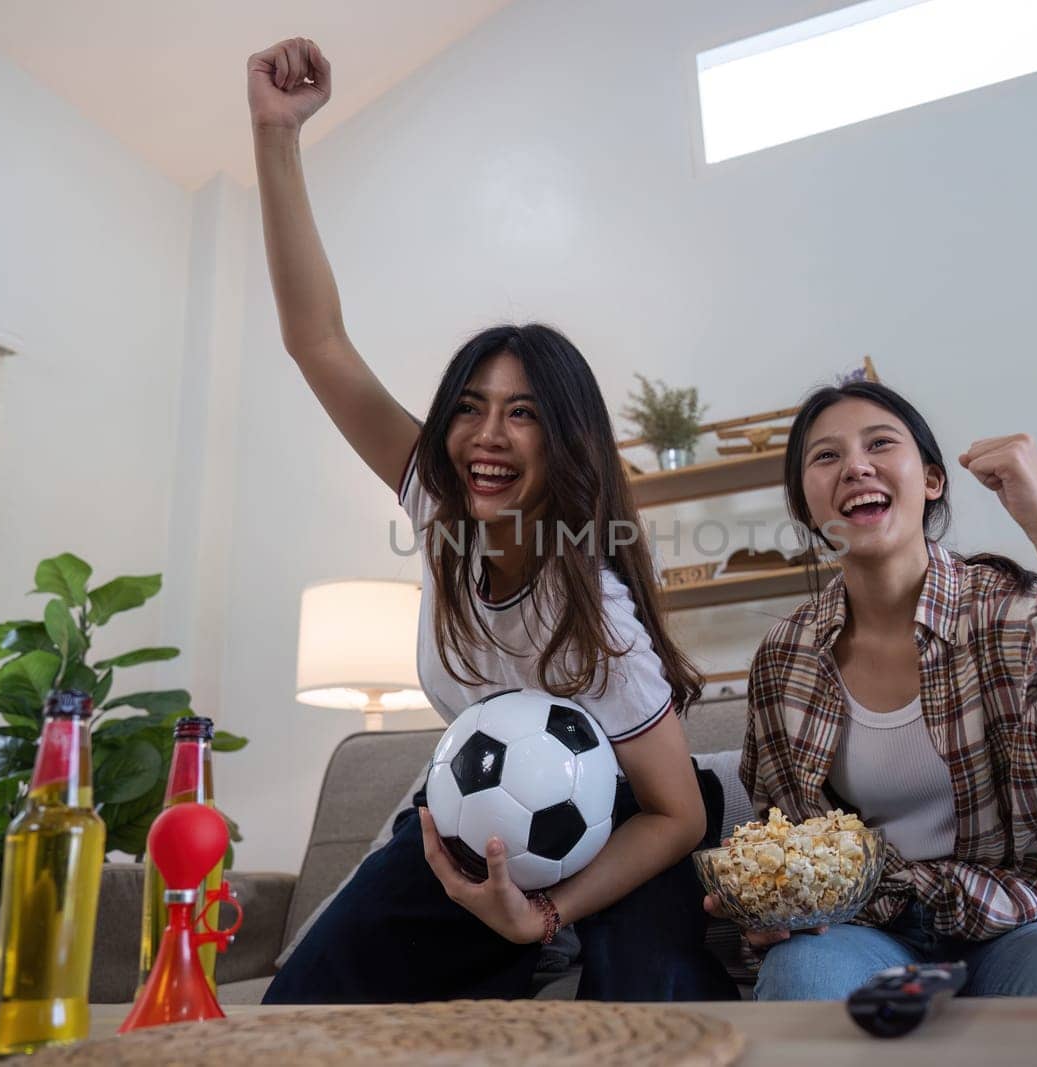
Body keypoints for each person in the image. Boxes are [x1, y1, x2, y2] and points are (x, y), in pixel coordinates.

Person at [247, 37, 737, 1003]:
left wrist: (548, 914)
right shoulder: (440, 503)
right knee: (299, 1006)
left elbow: (674, 814)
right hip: (477, 823)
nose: (487, 433)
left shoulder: (600, 622)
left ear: (568, 444)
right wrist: (274, 135)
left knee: (644, 1015)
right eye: (470, 405)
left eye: (523, 413)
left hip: (629, 821)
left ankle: (549, 949)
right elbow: (317, 342)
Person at [709, 379, 1037, 1000]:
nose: (856, 465)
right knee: (800, 977)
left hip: (1018, 919)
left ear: (932, 480)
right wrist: (769, 909)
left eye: (880, 443)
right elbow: (788, 835)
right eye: (825, 456)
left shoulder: (1011, 614)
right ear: (808, 507)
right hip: (866, 927)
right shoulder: (786, 655)